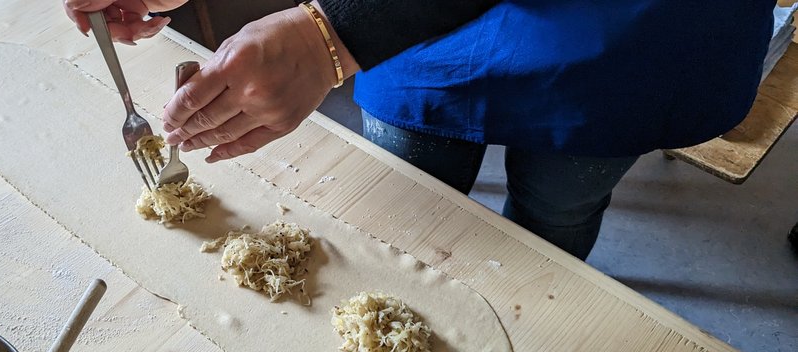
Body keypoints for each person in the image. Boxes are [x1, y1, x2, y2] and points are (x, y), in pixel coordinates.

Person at [63, 0, 775, 260]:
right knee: (400, 209)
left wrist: (332, 36)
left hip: (626, 34)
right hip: (407, 31)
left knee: (555, 212)